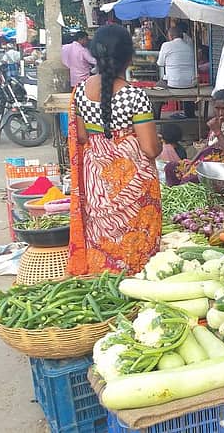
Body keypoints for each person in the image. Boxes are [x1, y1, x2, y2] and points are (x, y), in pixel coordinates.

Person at [67, 25, 162, 275]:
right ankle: (136, 284)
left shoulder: (80, 92)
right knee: (137, 244)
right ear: (129, 57)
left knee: (102, 237)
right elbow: (150, 149)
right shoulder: (135, 96)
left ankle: (103, 281)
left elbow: (82, 136)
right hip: (133, 183)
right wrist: (159, 142)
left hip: (97, 182)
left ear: (95, 55)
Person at [163, 89, 224, 185]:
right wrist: (192, 161)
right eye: (217, 108)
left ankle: (180, 190)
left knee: (190, 179)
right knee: (170, 167)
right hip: (207, 163)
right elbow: (207, 145)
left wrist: (217, 132)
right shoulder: (217, 121)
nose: (220, 113)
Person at [156, 27, 196, 118]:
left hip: (173, 83)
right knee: (187, 88)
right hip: (190, 83)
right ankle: (190, 114)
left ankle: (156, 117)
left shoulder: (166, 45)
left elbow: (160, 63)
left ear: (170, 36)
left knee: (157, 87)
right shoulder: (189, 46)